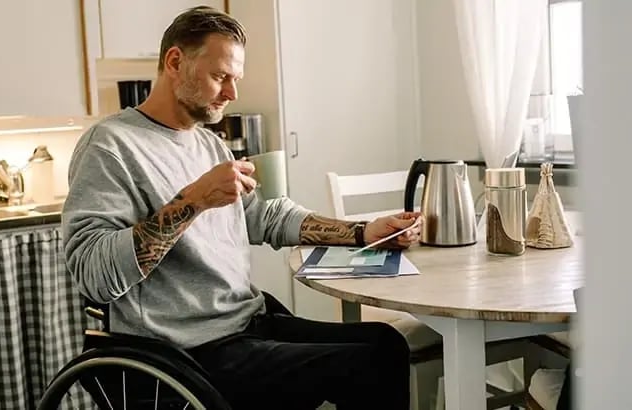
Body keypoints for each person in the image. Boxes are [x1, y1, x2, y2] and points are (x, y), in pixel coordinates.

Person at [62, 6, 422, 409]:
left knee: (387, 343)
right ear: (176, 62)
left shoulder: (208, 144)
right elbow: (93, 274)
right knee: (366, 364)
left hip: (243, 324)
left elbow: (264, 216)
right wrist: (194, 200)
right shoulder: (110, 145)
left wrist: (362, 231)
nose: (232, 93)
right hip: (187, 351)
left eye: (235, 79)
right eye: (220, 77)